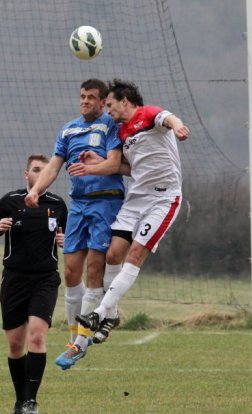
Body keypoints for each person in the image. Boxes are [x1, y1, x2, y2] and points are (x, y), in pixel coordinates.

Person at [75, 79, 189, 336]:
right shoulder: (124, 132)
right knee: (113, 255)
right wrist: (97, 161)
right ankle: (111, 317)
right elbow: (129, 168)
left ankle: (100, 313)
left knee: (134, 254)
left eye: (110, 104)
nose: (108, 110)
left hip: (163, 200)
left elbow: (169, 118)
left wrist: (179, 127)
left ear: (124, 101)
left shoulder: (147, 114)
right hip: (136, 200)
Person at [24, 79, 125, 370]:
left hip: (105, 202)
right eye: (82, 96)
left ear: (103, 100)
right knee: (70, 271)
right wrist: (36, 191)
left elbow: (116, 162)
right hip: (79, 204)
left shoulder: (111, 126)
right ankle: (76, 333)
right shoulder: (68, 129)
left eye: (92, 97)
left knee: (95, 269)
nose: (85, 101)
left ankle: (79, 344)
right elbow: (55, 165)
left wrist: (93, 164)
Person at [0, 155, 67, 414]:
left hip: (45, 279)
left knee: (38, 336)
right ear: (26, 174)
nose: (40, 174)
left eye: (45, 171)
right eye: (36, 170)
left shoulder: (58, 205)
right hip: (14, 279)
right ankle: (19, 400)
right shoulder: (11, 200)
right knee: (15, 344)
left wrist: (67, 239)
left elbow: (72, 233)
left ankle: (32, 400)